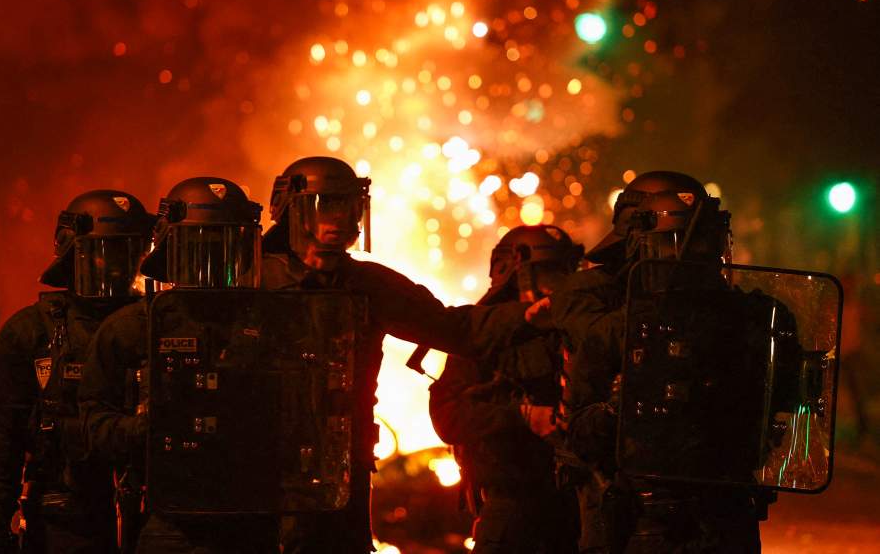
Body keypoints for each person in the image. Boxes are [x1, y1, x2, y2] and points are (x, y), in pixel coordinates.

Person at [262, 156, 536, 553]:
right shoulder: (247, 277)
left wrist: (528, 316)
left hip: (340, 475)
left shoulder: (368, 285)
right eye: (327, 205)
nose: (340, 217)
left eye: (348, 205)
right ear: (291, 208)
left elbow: (453, 328)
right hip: (257, 473)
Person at [528, 173, 775, 553]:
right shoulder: (614, 322)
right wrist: (618, 409)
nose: (696, 256)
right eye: (680, 245)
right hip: (648, 518)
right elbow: (578, 430)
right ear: (643, 246)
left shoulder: (745, 319)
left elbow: (780, 407)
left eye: (705, 243)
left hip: (726, 513)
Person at [77, 177, 267, 554]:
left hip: (253, 516)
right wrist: (149, 428)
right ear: (171, 249)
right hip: (170, 520)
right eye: (199, 246)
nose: (212, 260)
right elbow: (91, 425)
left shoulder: (268, 323)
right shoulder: (135, 327)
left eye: (223, 244)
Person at [0, 190, 154, 554]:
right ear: (74, 255)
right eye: (104, 254)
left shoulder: (155, 327)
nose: (118, 267)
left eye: (128, 252)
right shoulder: (31, 332)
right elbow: (3, 440)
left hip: (148, 514)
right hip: (63, 515)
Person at [429, 225, 583, 554]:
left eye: (566, 271)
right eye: (550, 272)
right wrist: (522, 416)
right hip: (510, 505)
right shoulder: (485, 336)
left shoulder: (574, 331)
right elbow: (448, 417)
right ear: (516, 274)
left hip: (571, 505)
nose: (562, 283)